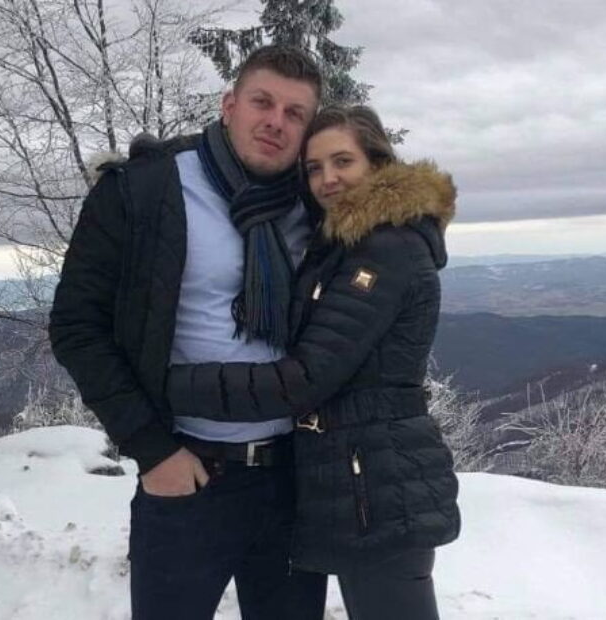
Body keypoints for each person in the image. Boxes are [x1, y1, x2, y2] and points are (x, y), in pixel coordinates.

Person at [48, 46, 327, 619]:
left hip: (294, 477)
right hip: (190, 472)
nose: (276, 121)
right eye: (263, 102)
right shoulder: (144, 190)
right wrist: (153, 451)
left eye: (295, 113)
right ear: (229, 105)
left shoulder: (314, 203)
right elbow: (77, 326)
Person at [166, 105, 461, 620]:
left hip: (380, 483)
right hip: (362, 478)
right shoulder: (344, 244)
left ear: (377, 163)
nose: (327, 179)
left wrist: (172, 386)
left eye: (342, 161)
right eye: (314, 168)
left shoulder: (386, 247)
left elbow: (303, 379)